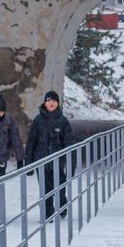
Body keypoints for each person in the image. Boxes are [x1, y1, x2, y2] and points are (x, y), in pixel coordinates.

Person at [26, 88, 75, 219]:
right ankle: (48, 214)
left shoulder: (63, 121)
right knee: (45, 190)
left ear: (57, 103)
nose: (51, 103)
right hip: (42, 162)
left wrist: (71, 165)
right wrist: (29, 164)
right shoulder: (38, 120)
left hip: (58, 163)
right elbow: (31, 142)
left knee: (60, 189)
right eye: (49, 101)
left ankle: (62, 206)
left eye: (54, 101)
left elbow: (70, 144)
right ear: (45, 103)